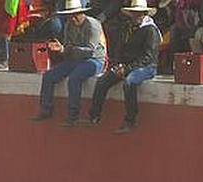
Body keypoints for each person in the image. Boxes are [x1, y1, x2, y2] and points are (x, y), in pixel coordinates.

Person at [87, 0, 160, 133]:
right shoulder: (126, 28)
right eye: (133, 13)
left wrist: (126, 68)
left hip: (147, 67)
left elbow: (148, 57)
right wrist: (118, 65)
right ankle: (94, 115)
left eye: (138, 13)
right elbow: (120, 49)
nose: (135, 16)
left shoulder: (151, 30)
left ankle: (130, 120)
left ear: (144, 14)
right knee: (102, 81)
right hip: (126, 65)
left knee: (129, 82)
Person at [30, 0, 105, 125]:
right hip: (75, 59)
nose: (73, 18)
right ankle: (45, 109)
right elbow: (68, 49)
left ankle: (73, 115)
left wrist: (66, 49)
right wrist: (61, 50)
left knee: (74, 78)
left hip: (94, 60)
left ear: (82, 13)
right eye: (70, 15)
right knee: (48, 76)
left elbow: (90, 51)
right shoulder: (69, 25)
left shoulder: (93, 25)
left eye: (76, 15)